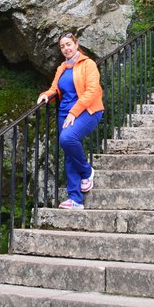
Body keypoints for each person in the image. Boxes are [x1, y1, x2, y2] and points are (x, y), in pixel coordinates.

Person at [37, 32, 104, 209]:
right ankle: (75, 199)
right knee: (68, 152)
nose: (65, 48)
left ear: (76, 44)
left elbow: (92, 91)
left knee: (67, 139)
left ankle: (87, 171)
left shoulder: (88, 64)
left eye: (68, 44)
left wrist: (74, 112)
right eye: (62, 46)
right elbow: (54, 88)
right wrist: (46, 95)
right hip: (64, 114)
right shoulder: (62, 68)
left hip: (87, 111)